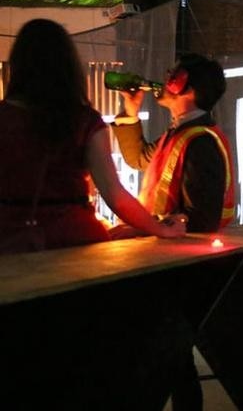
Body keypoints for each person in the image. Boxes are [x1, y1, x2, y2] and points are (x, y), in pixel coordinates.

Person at [112, 51, 236, 411]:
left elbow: (199, 216)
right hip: (166, 262)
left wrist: (166, 228)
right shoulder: (181, 134)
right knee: (172, 363)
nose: (164, 79)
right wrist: (130, 114)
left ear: (188, 86)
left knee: (174, 363)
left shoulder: (200, 139)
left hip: (180, 268)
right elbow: (140, 159)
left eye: (174, 75)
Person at [0, 18, 185, 254]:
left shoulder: (4, 117)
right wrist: (160, 229)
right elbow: (114, 194)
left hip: (10, 240)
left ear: (18, 66)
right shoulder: (84, 121)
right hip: (74, 236)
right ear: (68, 66)